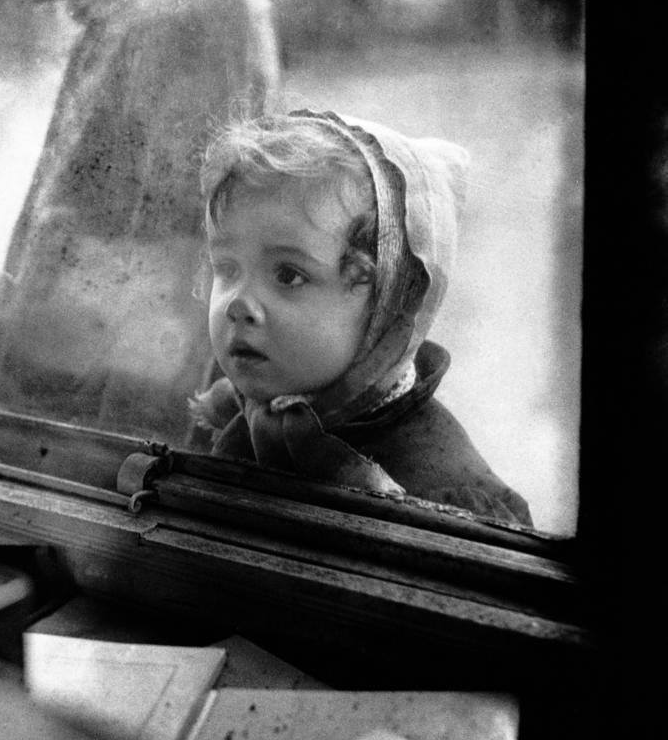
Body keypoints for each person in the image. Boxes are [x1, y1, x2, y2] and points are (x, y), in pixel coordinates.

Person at [0, 0, 280, 442]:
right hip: (59, 387)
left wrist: (112, 465)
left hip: (102, 426)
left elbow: (177, 262)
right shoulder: (130, 4)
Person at [189, 109, 533, 526]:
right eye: (227, 268)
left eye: (287, 275)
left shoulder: (443, 492)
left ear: (383, 303)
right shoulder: (230, 413)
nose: (237, 304)